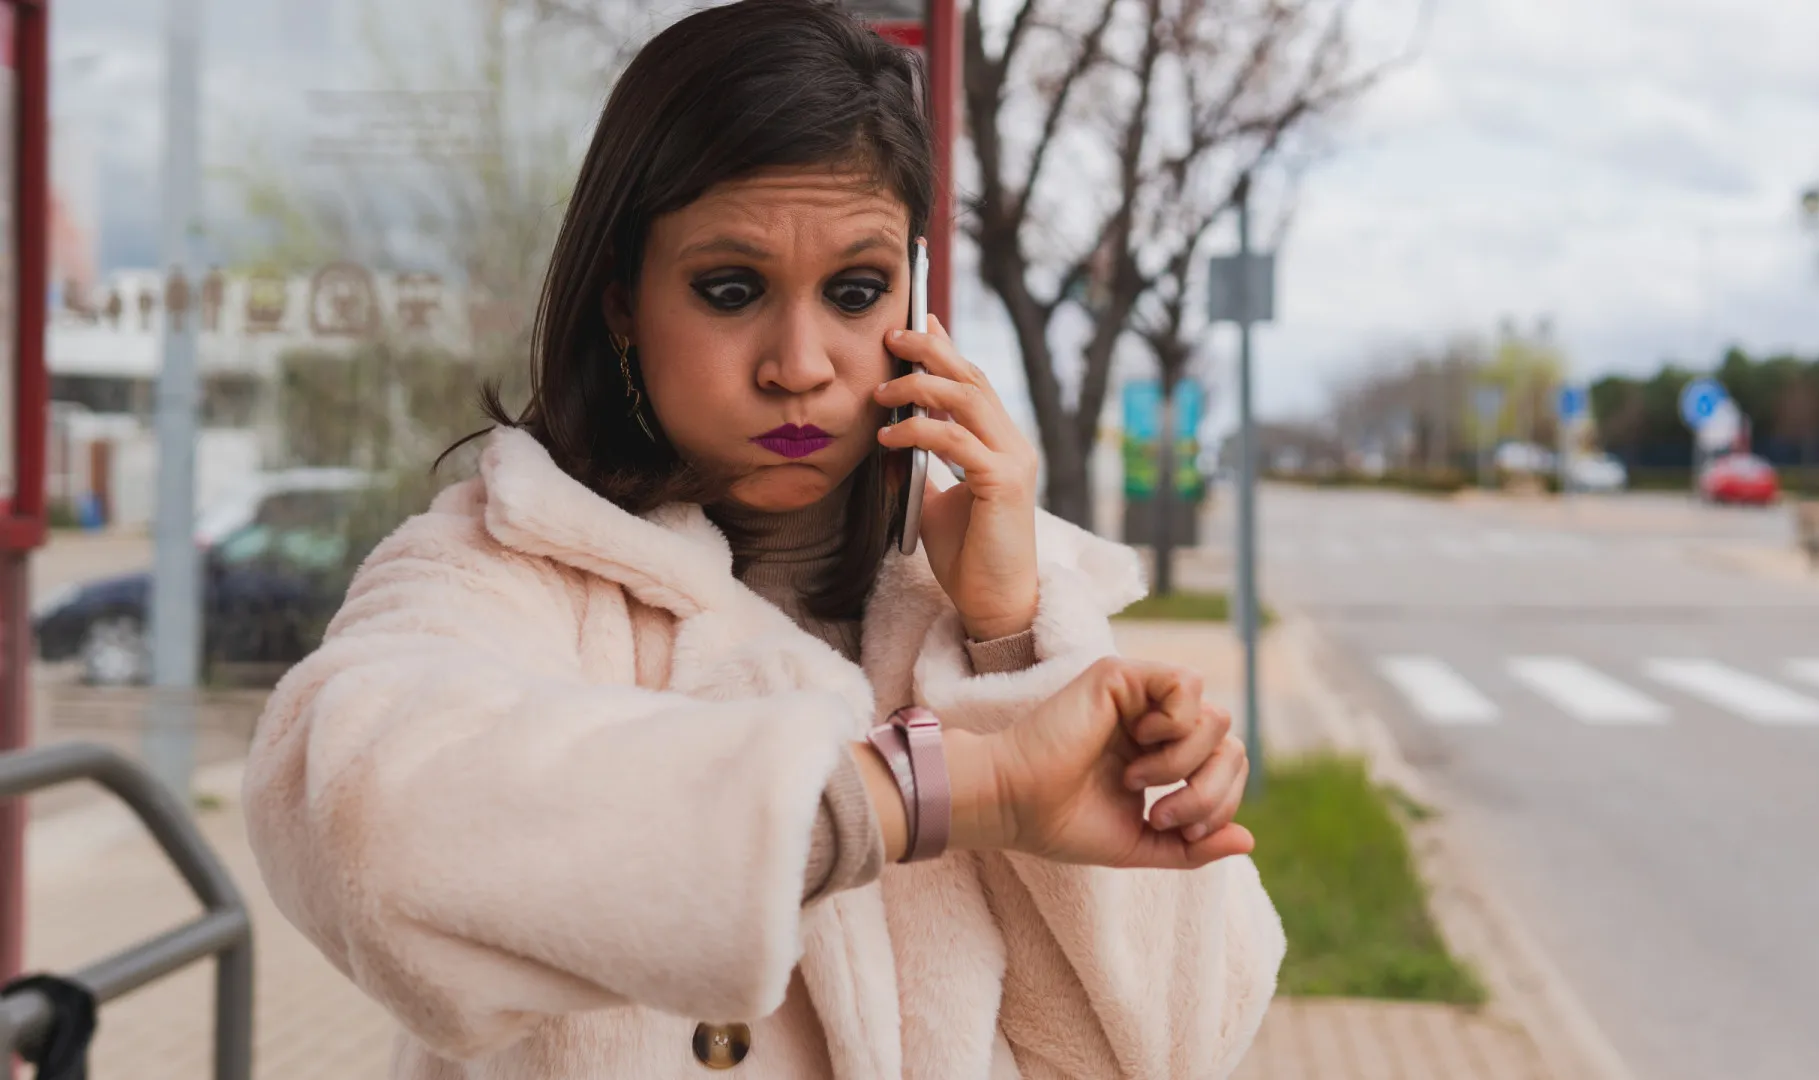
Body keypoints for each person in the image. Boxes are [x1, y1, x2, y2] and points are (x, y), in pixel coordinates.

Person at [241, 1, 1284, 1076]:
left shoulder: (991, 596)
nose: (799, 360)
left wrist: (1014, 642)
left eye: (855, 291)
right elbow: (369, 825)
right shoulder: (499, 570)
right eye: (731, 289)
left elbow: (1177, 1040)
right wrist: (932, 793)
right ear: (621, 307)